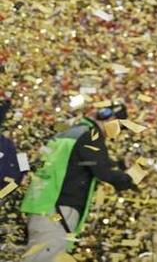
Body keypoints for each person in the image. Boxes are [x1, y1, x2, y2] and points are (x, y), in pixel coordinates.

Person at [20, 103, 137, 262]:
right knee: (48, 253)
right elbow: (103, 171)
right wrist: (129, 180)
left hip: (43, 205)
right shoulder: (90, 136)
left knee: (42, 253)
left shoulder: (69, 133)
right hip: (57, 210)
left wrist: (119, 165)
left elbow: (82, 162)